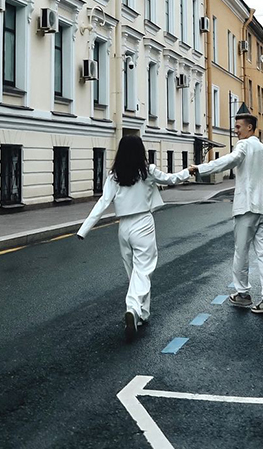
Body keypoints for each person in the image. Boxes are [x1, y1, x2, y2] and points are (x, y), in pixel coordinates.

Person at [77, 135, 190, 342]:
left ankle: (141, 314)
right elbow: (172, 179)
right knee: (143, 271)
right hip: (143, 224)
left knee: (133, 272)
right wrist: (188, 171)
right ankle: (133, 308)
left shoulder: (114, 175)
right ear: (141, 151)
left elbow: (103, 202)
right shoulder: (147, 171)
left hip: (123, 227)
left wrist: (84, 229)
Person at [189, 108, 263, 314]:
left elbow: (230, 160)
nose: (236, 130)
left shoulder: (244, 145)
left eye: (239, 127)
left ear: (250, 128)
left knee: (241, 252)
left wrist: (202, 169)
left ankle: (242, 294)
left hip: (246, 208)